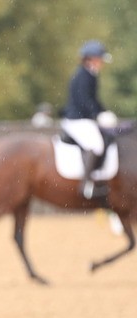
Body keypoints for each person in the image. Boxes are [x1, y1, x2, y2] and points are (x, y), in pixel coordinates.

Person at [61, 40, 112, 200]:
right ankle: (86, 185)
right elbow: (84, 100)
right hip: (77, 119)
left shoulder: (90, 74)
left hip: (83, 118)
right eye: (100, 59)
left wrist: (104, 111)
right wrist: (97, 114)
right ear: (91, 58)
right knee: (96, 145)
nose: (102, 63)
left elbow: (94, 99)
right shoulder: (84, 75)